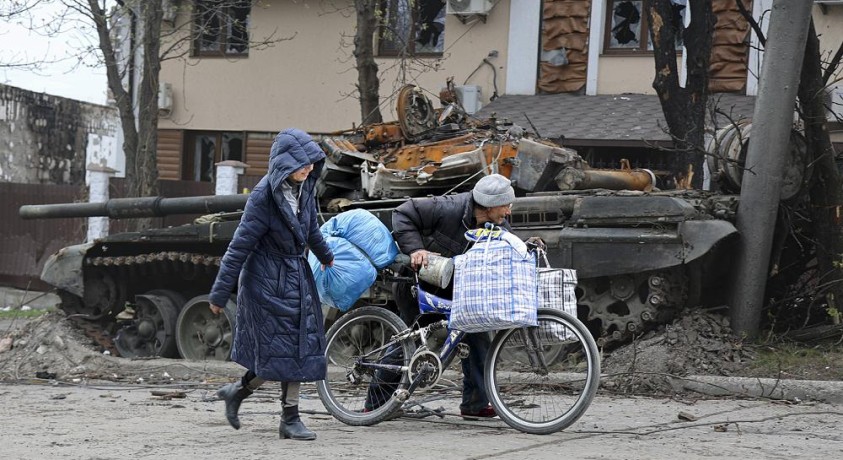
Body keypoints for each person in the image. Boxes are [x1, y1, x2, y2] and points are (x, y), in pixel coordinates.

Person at [209, 128, 334, 441]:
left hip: (296, 276)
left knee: (294, 349)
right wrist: (219, 294)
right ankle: (290, 419)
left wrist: (326, 256)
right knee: (286, 350)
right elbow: (239, 246)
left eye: (311, 162)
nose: (309, 168)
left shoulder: (304, 188)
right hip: (266, 282)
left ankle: (239, 392)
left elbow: (310, 229)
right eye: (302, 163)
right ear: (285, 163)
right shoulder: (263, 196)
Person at [390, 173, 516, 418]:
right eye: (505, 205)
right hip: (421, 286)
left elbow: (511, 243)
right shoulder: (448, 208)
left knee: (479, 338)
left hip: (458, 290)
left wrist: (530, 245)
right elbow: (403, 213)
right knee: (409, 342)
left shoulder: (497, 224)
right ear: (489, 205)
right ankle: (376, 403)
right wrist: (415, 249)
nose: (508, 212)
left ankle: (476, 405)